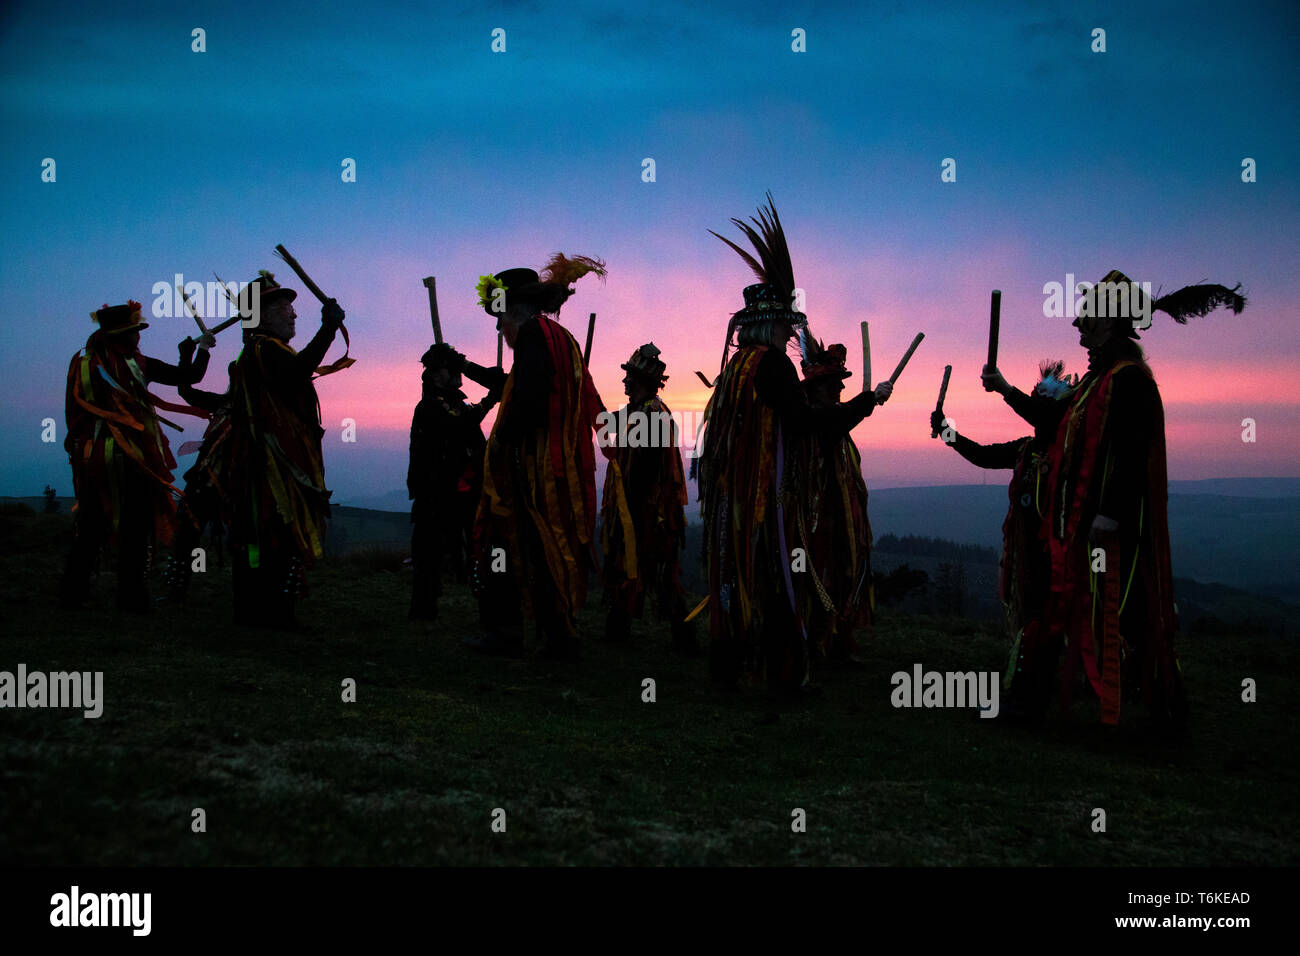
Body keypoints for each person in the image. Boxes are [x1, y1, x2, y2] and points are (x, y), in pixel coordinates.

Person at [981, 270, 1244, 725]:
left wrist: (1110, 514)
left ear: (1109, 321)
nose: (1079, 330)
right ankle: (1037, 704)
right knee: (1066, 605)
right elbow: (1052, 419)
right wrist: (1005, 388)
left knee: (1126, 614)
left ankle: (1155, 711)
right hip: (1078, 527)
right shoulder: (1093, 385)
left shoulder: (1129, 382)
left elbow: (1130, 452)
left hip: (1105, 528)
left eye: (1087, 320)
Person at [698, 196, 892, 695]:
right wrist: (861, 407)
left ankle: (729, 666)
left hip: (736, 498)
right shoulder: (771, 365)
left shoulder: (737, 367)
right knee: (780, 576)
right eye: (786, 324)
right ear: (770, 324)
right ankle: (784, 675)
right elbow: (804, 423)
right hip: (766, 501)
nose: (791, 331)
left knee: (740, 576)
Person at [468, 254, 628, 659]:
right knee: (546, 547)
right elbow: (522, 386)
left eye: (500, 317)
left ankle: (510, 633)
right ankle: (558, 633)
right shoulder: (560, 337)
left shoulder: (531, 338)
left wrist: (503, 441)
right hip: (557, 468)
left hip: (535, 466)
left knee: (509, 543)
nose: (499, 326)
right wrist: (463, 365)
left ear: (515, 310)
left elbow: (531, 397)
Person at [929, 360, 1075, 708]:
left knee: (1051, 616)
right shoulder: (1027, 449)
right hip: (1027, 554)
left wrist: (1007, 390)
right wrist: (948, 432)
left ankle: (1036, 693)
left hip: (1059, 554)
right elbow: (982, 455)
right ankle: (1032, 689)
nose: (1038, 413)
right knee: (1031, 617)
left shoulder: (1070, 454)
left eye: (1044, 407)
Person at [60, 300, 211, 610]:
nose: (139, 337)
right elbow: (190, 376)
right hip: (132, 458)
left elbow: (75, 416)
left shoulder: (85, 365)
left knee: (92, 522)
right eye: (134, 331)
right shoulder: (137, 365)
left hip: (93, 459)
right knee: (135, 524)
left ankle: (74, 592)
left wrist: (188, 353)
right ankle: (130, 596)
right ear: (120, 335)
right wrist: (202, 349)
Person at [227, 271, 346, 629]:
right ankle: (270, 613)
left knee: (268, 532)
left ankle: (261, 610)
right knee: (273, 530)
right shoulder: (264, 349)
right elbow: (297, 372)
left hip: (271, 458)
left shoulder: (264, 351)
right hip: (269, 463)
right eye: (283, 307)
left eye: (292, 307)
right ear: (259, 316)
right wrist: (328, 328)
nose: (293, 314)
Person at [600, 343, 697, 652]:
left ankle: (681, 636)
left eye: (629, 377)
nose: (624, 382)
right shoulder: (639, 411)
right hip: (638, 506)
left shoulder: (651, 413)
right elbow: (606, 421)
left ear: (641, 381)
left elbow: (648, 465)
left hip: (647, 508)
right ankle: (621, 626)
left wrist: (630, 503)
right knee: (631, 563)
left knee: (654, 566)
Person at [408, 342, 504, 621]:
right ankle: (423, 610)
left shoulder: (457, 405)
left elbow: (473, 438)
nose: (456, 373)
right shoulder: (428, 407)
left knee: (481, 549)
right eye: (450, 368)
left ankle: (490, 609)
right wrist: (489, 399)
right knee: (428, 554)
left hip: (465, 491)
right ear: (437, 375)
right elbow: (459, 427)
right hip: (435, 493)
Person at [800, 341, 875, 664]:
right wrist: (870, 400)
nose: (840, 388)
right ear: (816, 388)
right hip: (814, 519)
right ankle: (812, 642)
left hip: (839, 518)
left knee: (842, 571)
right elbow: (838, 419)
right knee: (816, 574)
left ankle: (836, 640)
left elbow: (843, 417)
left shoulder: (832, 421)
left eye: (841, 383)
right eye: (833, 383)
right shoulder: (815, 419)